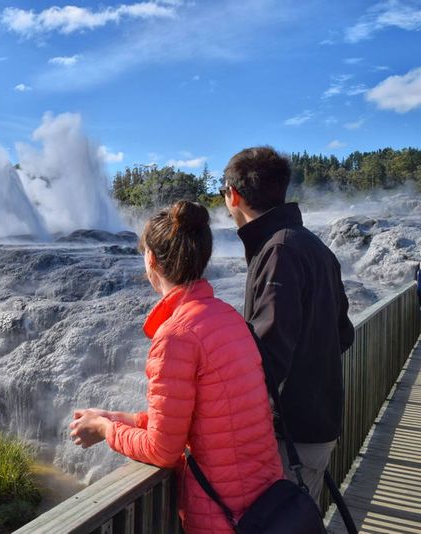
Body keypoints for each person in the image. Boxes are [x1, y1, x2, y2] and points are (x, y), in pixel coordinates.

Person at [69, 200, 283, 533]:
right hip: (266, 501)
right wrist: (115, 417)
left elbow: (163, 451)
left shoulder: (176, 335)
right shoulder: (227, 316)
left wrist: (105, 431)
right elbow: (198, 419)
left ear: (151, 259)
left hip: (226, 517)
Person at [221, 146, 355, 503]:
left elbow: (267, 356)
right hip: (314, 425)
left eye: (223, 193)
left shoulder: (278, 251)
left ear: (233, 195)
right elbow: (344, 333)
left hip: (289, 437)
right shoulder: (313, 246)